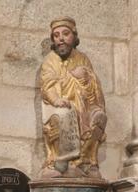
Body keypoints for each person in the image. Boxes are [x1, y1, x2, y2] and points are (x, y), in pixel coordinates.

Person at [39, 17, 107, 178]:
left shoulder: (82, 58)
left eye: (65, 34)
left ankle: (87, 161)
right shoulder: (50, 61)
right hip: (57, 107)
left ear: (74, 37)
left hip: (84, 105)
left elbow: (94, 86)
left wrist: (86, 78)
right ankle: (63, 162)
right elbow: (47, 85)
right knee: (66, 114)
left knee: (99, 118)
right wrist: (58, 97)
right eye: (56, 35)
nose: (60, 39)